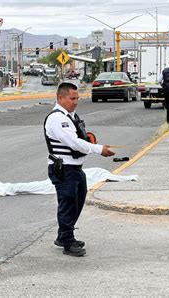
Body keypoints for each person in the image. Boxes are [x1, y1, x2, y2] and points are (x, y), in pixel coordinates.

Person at [44, 82, 115, 257]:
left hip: (75, 168)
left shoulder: (70, 116)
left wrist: (93, 144)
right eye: (72, 98)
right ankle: (67, 242)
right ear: (60, 98)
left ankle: (63, 236)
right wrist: (99, 149)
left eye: (77, 98)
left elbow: (81, 139)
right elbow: (74, 142)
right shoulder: (57, 118)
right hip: (64, 169)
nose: (75, 102)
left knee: (77, 202)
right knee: (67, 204)